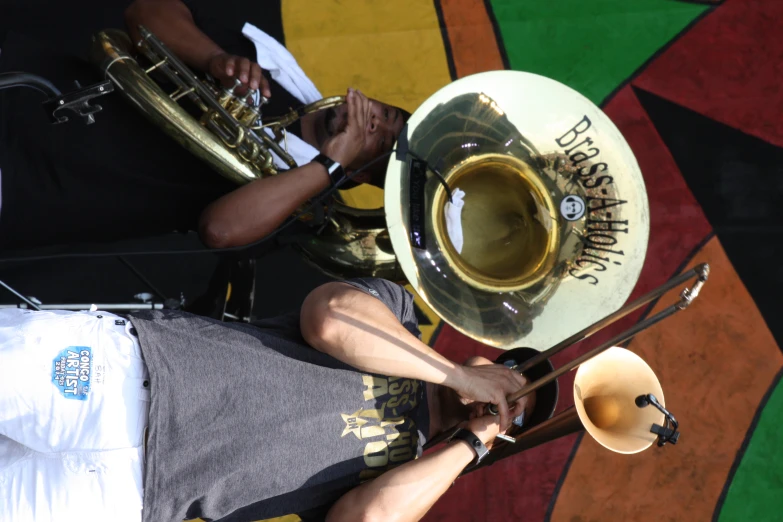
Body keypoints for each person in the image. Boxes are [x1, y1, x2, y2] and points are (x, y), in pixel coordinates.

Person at [0, 277, 536, 522]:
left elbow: (367, 520)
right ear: (489, 359)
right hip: (124, 377)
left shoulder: (417, 475)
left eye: (516, 408)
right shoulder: (399, 314)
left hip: (126, 499)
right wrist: (448, 376)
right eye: (511, 378)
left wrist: (472, 439)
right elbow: (328, 318)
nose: (502, 398)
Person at [0, 0, 409, 251]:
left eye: (380, 141)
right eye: (385, 114)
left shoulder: (306, 208)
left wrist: (329, 165)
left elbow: (220, 230)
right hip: (23, 79)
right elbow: (145, 12)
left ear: (362, 175)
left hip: (27, 186)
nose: (374, 122)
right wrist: (213, 58)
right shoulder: (275, 66)